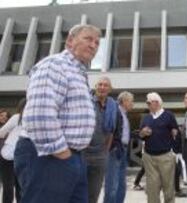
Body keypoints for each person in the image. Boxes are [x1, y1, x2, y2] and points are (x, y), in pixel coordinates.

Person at [14, 24, 100, 203]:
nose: (94, 45)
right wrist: (61, 152)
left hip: (71, 156)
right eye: (88, 39)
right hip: (49, 156)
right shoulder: (55, 64)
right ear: (70, 41)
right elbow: (39, 113)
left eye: (97, 42)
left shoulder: (78, 72)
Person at [139, 92, 178, 203]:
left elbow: (175, 132)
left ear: (156, 102)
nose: (147, 105)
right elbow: (140, 135)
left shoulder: (168, 115)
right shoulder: (145, 117)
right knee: (152, 189)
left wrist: (174, 150)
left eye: (148, 102)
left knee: (168, 187)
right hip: (149, 157)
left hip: (165, 156)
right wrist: (143, 133)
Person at [83, 77, 117, 203]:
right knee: (77, 191)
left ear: (110, 89)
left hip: (100, 155)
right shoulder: (86, 101)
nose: (102, 87)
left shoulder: (113, 106)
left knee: (94, 193)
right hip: (82, 152)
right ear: (95, 86)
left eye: (106, 85)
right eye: (100, 84)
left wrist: (105, 151)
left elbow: (111, 131)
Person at [104, 91, 134, 203]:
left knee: (121, 185)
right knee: (112, 185)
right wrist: (112, 147)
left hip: (123, 150)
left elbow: (124, 133)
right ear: (124, 101)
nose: (132, 104)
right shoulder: (115, 112)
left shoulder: (124, 115)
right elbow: (109, 130)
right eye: (131, 101)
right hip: (115, 150)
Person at [0, 99, 26, 203]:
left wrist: (7, 135)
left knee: (8, 185)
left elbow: (2, 132)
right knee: (20, 185)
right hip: (23, 155)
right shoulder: (35, 119)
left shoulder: (17, 117)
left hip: (8, 154)